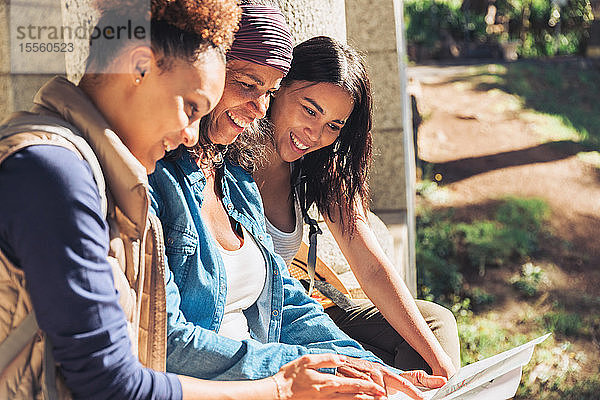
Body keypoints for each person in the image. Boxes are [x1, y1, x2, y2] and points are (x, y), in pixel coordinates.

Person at [0, 1, 387, 399]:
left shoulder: (106, 174)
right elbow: (112, 381)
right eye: (190, 107)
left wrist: (365, 371)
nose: (190, 135)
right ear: (138, 68)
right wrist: (281, 387)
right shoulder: (54, 170)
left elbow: (282, 298)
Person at [149, 2, 447, 399]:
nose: (258, 108)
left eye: (267, 92)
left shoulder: (237, 181)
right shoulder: (162, 180)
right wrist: (298, 374)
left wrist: (366, 371)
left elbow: (291, 298)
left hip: (278, 351)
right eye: (247, 84)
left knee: (430, 333)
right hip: (241, 380)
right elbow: (170, 341)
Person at [247, 36, 461, 378]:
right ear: (278, 86)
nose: (315, 135)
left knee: (435, 325)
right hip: (262, 326)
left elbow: (372, 267)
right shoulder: (233, 153)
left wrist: (441, 364)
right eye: (310, 110)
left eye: (334, 126)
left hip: (302, 305)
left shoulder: (317, 166)